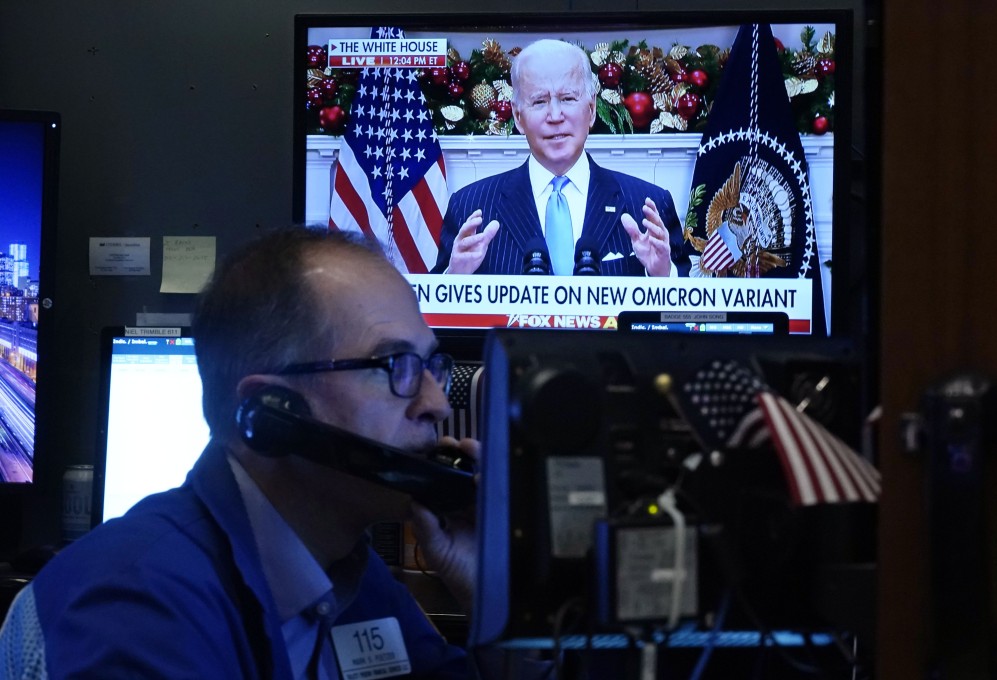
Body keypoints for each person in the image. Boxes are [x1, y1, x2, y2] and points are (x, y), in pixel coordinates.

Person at [0, 227, 481, 678]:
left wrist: (493, 591)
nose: (436, 404)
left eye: (431, 365)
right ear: (273, 415)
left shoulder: (346, 569)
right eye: (395, 365)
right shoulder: (133, 609)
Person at [432, 39, 683, 277]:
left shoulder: (647, 207)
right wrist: (455, 277)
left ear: (592, 109)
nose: (555, 116)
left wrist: (661, 274)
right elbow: (433, 312)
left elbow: (689, 312)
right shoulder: (470, 208)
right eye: (539, 101)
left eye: (567, 99)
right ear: (518, 117)